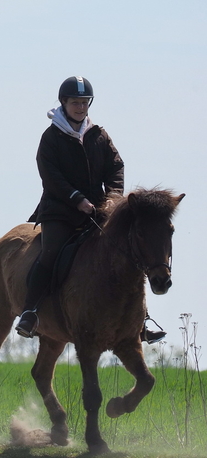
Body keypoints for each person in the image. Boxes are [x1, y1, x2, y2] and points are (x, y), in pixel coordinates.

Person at [14, 76, 166, 344]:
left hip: (98, 209)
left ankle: (141, 319)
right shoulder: (50, 138)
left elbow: (116, 167)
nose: (80, 107)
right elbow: (51, 176)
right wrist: (76, 199)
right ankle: (30, 311)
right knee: (50, 253)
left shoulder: (98, 135)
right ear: (64, 103)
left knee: (128, 253)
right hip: (59, 210)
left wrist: (113, 198)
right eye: (75, 103)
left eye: (84, 103)